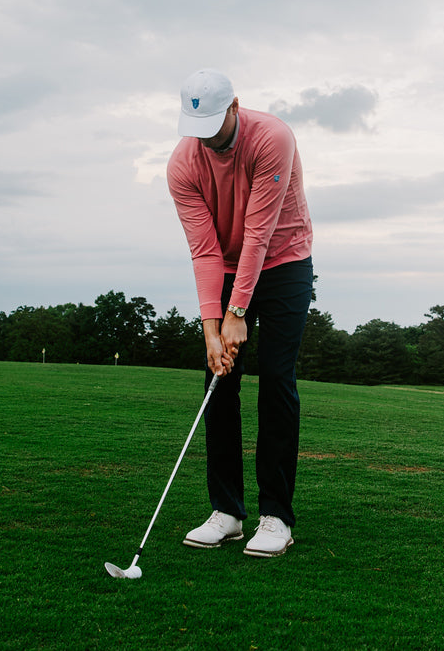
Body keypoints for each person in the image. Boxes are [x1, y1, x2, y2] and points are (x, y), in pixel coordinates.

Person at [166, 68, 314, 558]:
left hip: (286, 259)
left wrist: (237, 312)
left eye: (214, 126)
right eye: (197, 131)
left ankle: (277, 517)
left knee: (275, 376)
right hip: (228, 265)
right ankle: (226, 512)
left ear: (234, 107)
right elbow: (204, 250)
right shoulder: (182, 166)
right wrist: (213, 327)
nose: (207, 142)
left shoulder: (272, 137)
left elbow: (259, 234)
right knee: (218, 378)